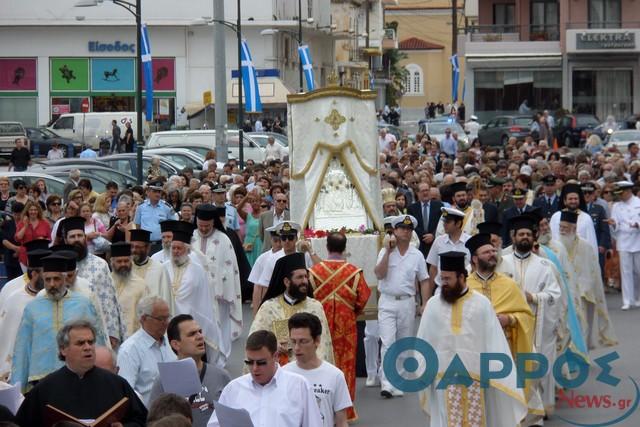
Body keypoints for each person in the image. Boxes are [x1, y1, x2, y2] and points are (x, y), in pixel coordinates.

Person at [416, 252, 527, 426]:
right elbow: (424, 341)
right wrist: (422, 369)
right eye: (442, 279)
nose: (443, 283)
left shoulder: (481, 304)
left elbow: (494, 341)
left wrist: (500, 371)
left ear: (461, 277)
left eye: (447, 279)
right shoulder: (433, 305)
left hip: (476, 377)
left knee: (476, 420)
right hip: (443, 378)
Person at [16, 319, 147, 426]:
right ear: (63, 349)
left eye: (90, 342)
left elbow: (142, 420)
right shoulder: (45, 388)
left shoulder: (116, 383)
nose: (87, 347)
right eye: (80, 343)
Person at [11, 255, 107, 390]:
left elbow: (97, 342)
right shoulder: (32, 308)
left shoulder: (83, 304)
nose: (52, 284)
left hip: (78, 375)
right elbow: (22, 348)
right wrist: (17, 388)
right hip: (41, 379)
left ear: (65, 278)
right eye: (47, 279)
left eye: (56, 279)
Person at [498, 215, 561, 416]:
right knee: (513, 365)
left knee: (540, 363)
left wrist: (533, 297)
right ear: (513, 237)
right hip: (511, 324)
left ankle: (540, 407)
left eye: (528, 234)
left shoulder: (545, 266)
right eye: (520, 234)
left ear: (534, 237)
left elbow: (555, 296)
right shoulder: (502, 264)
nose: (524, 237)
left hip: (537, 323)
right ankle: (516, 407)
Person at [308, 232, 370, 422]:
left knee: (320, 363)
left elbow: (309, 300)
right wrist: (352, 312)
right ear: (345, 248)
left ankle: (319, 410)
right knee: (346, 367)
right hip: (347, 327)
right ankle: (345, 413)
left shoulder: (314, 272)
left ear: (326, 247)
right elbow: (363, 298)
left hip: (320, 326)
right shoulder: (354, 273)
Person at [207, 330, 323, 427]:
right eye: (250, 362)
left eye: (261, 363)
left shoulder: (299, 386)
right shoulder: (233, 389)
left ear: (276, 356)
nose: (255, 368)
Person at [374, 215, 429, 398]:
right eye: (401, 228)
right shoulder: (385, 251)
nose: (405, 231)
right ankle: (387, 383)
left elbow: (424, 280)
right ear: (394, 230)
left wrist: (425, 303)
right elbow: (379, 274)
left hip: (407, 301)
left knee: (404, 343)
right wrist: (388, 253)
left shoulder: (417, 254)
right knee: (388, 342)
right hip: (388, 300)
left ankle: (399, 380)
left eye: (408, 228)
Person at [250, 252, 334, 366]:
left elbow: (323, 344)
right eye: (299, 277)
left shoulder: (315, 307)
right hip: (276, 371)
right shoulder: (269, 307)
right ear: (287, 282)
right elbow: (255, 340)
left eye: (306, 276)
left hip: (307, 369)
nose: (305, 281)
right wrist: (272, 346)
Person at [149, 314, 231, 427]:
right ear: (176, 344)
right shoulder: (164, 379)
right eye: (192, 334)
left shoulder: (222, 376)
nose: (200, 337)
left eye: (200, 332)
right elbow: (152, 422)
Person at [162, 226, 224, 366]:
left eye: (179, 248)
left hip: (191, 320)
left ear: (187, 250)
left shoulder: (197, 270)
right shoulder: (163, 268)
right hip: (168, 321)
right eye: (173, 248)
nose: (176, 252)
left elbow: (203, 300)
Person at [62, 216, 126, 347]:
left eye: (79, 236)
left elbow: (109, 301)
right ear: (65, 240)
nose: (76, 240)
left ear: (85, 238)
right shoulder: (58, 266)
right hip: (66, 329)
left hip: (96, 329)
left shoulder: (100, 265)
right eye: (72, 237)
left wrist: (112, 333)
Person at [558, 210, 618, 349]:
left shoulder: (585, 246)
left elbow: (592, 270)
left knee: (582, 326)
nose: (561, 231)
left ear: (574, 229)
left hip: (583, 293)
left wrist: (584, 288)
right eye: (560, 227)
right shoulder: (556, 246)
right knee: (566, 328)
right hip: (563, 294)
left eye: (565, 228)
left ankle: (581, 357)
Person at [283, 313, 352, 427]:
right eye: (293, 341)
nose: (296, 348)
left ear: (317, 341)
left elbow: (341, 421)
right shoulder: (282, 374)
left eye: (303, 341)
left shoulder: (335, 375)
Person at [191, 204, 243, 353]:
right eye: (201, 225)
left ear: (214, 222)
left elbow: (230, 268)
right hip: (195, 292)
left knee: (219, 326)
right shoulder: (191, 237)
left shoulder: (223, 239)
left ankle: (219, 356)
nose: (204, 229)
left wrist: (225, 291)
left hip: (218, 294)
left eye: (207, 226)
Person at [0, 248, 50, 380]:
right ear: (34, 274)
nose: (51, 282)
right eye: (47, 276)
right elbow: (7, 337)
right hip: (21, 366)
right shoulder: (15, 300)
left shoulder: (54, 298)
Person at [117, 296, 177, 406]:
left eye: (167, 318)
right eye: (160, 319)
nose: (166, 323)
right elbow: (126, 392)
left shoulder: (171, 342)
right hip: (149, 416)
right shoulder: (130, 350)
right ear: (143, 319)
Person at [426, 207, 470, 298]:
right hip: (442, 290)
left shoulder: (469, 241)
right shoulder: (439, 241)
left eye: (448, 222)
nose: (444, 225)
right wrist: (429, 294)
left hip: (464, 290)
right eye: (444, 222)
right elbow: (433, 269)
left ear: (458, 223)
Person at [609, 181, 640, 310]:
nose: (620, 196)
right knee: (626, 271)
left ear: (628, 191)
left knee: (638, 271)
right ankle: (627, 300)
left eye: (621, 193)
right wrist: (613, 224)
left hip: (638, 239)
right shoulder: (616, 206)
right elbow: (615, 223)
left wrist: (637, 225)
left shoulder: (638, 202)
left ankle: (638, 297)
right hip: (624, 240)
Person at [110, 242, 150, 338]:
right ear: (112, 263)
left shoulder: (141, 284)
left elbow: (146, 314)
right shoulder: (106, 283)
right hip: (112, 337)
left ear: (131, 262)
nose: (123, 264)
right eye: (119, 262)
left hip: (135, 336)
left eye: (126, 261)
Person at [549, 183, 598, 255]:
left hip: (581, 257)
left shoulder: (586, 218)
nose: (573, 201)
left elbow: (592, 243)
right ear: (565, 201)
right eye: (570, 199)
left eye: (576, 199)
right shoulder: (556, 217)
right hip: (560, 256)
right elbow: (552, 239)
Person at [129, 229, 171, 299]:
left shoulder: (159, 269)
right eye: (132, 246)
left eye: (138, 247)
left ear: (148, 247)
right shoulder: (126, 269)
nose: (134, 250)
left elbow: (165, 298)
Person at [134, 181, 178, 249]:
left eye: (159, 192)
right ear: (148, 192)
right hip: (145, 244)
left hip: (161, 244)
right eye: (155, 191)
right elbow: (138, 225)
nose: (157, 194)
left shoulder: (167, 207)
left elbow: (173, 225)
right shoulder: (141, 207)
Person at [407, 182, 443, 258]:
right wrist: (425, 236)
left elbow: (441, 223)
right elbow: (413, 226)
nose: (425, 193)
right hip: (420, 244)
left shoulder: (439, 206)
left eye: (427, 190)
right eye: (423, 191)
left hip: (435, 242)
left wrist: (433, 235)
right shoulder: (412, 208)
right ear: (418, 193)